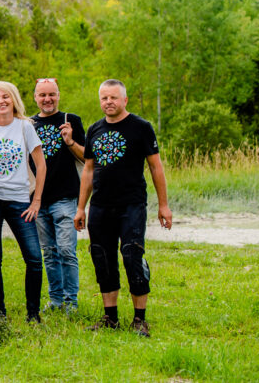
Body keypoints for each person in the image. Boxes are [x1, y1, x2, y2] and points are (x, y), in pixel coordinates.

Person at [75, 79, 172, 337]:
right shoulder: (94, 129)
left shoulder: (141, 128)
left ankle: (140, 319)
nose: (109, 102)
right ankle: (110, 317)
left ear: (124, 100)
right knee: (102, 258)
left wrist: (163, 205)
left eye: (114, 98)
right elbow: (88, 171)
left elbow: (155, 167)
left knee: (132, 255)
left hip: (132, 204)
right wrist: (80, 208)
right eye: (104, 98)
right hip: (100, 206)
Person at [0, 81, 47, 323]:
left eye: (5, 97)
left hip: (19, 200)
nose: (1, 102)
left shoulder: (25, 127)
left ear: (13, 99)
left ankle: (33, 313)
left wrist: (36, 200)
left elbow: (40, 165)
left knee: (34, 258)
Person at [31, 78, 85, 312]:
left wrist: (70, 141)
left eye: (51, 94)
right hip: (38, 199)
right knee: (49, 253)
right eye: (42, 95)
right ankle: (55, 301)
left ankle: (70, 301)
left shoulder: (71, 120)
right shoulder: (28, 124)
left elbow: (86, 158)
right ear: (35, 97)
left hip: (65, 196)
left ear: (58, 95)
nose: (47, 99)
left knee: (66, 250)